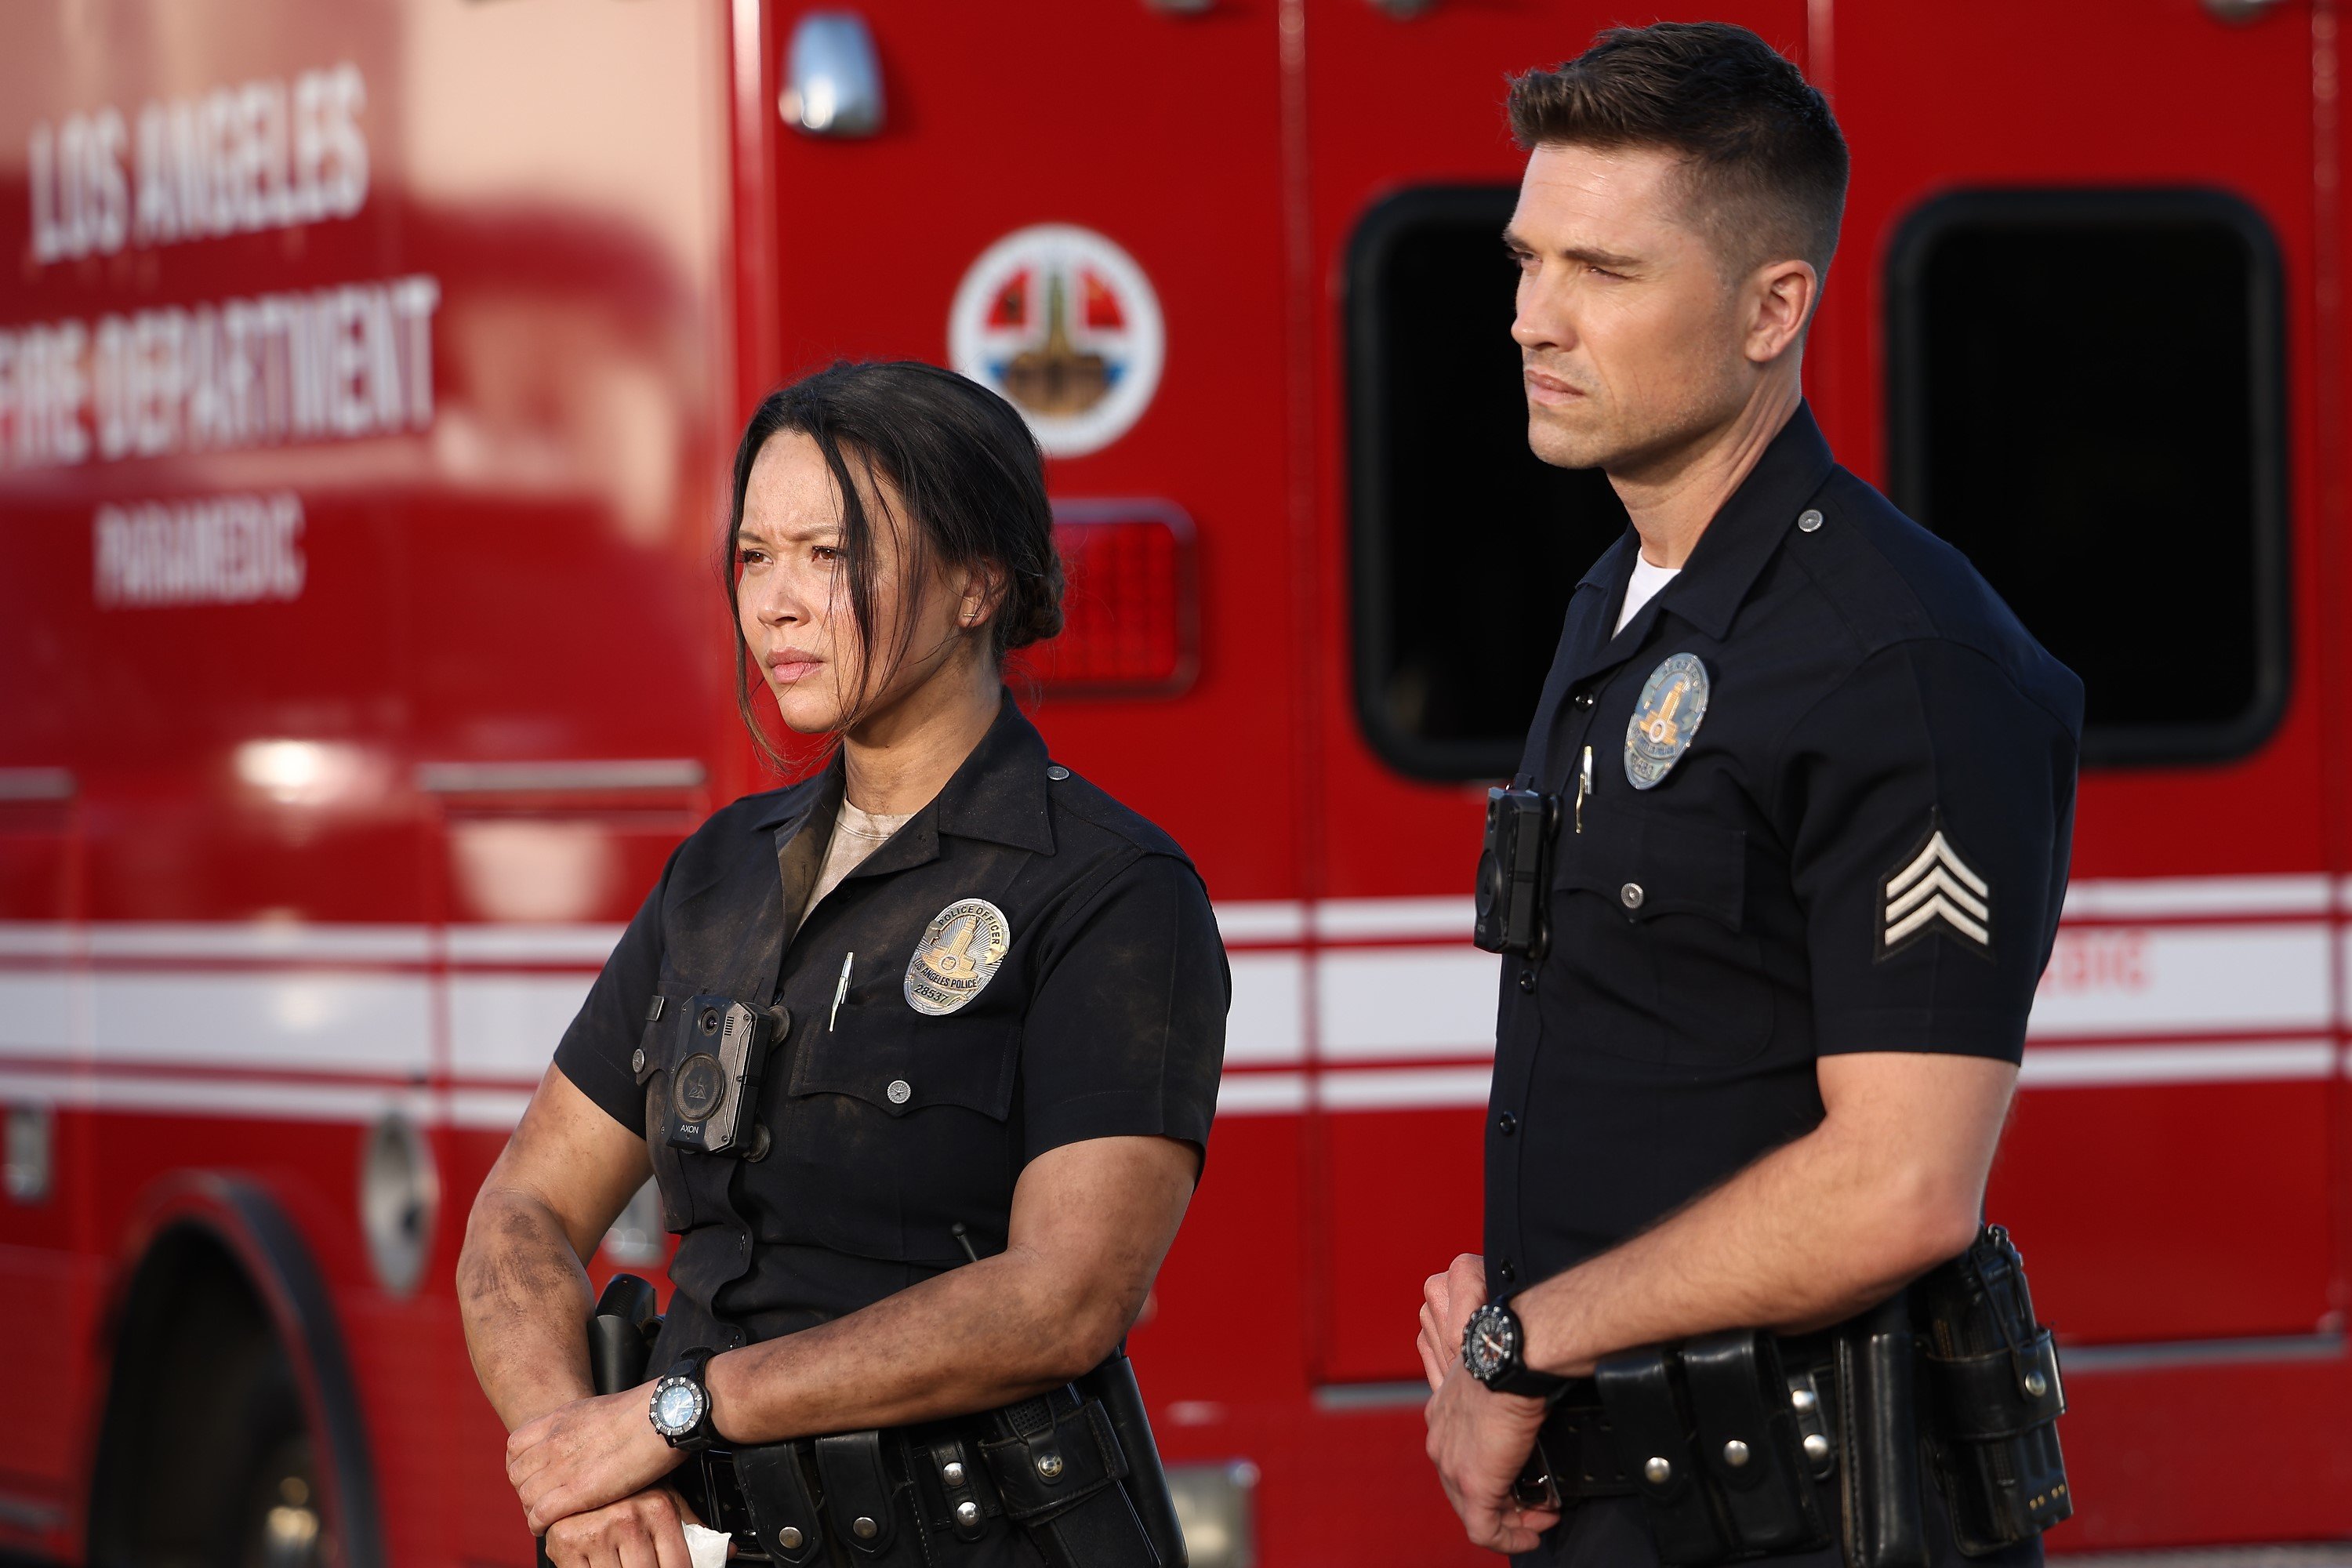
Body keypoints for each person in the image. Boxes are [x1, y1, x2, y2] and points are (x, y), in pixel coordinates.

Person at [1414, 23, 2082, 1568]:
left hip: (1815, 1519)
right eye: (1525, 261)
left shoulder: (1899, 660)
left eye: (1606, 270)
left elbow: (1900, 1186)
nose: (1533, 317)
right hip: (1623, 1500)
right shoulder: (1618, 607)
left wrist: (1527, 1337)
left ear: (1776, 306)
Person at [456, 360, 1229, 1568]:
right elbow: (526, 1208)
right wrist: (577, 1462)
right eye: (756, 556)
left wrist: (680, 1408)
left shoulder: (1110, 888)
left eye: (831, 554)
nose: (777, 603)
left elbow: (1065, 1298)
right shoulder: (715, 875)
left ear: (982, 583)